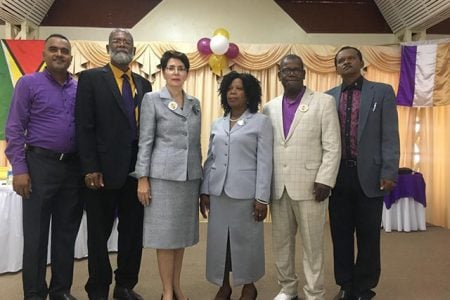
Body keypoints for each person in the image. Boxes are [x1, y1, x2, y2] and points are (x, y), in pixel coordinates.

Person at [4, 34, 83, 300]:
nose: (59, 54)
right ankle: (35, 294)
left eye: (64, 50)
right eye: (54, 49)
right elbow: (14, 127)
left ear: (71, 56)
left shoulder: (79, 87)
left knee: (65, 234)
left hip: (72, 169)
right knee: (36, 235)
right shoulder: (28, 83)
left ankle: (60, 291)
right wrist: (20, 169)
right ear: (44, 54)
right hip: (39, 167)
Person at [75, 29, 152, 300]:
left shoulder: (144, 85)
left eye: (127, 42)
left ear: (134, 49)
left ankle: (125, 286)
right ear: (108, 47)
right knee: (99, 234)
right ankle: (97, 288)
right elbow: (84, 126)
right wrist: (89, 167)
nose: (122, 45)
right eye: (117, 42)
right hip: (102, 171)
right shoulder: (91, 78)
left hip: (136, 171)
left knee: (132, 233)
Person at [263, 54, 341, 300]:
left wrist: (325, 180)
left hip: (311, 187)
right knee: (281, 244)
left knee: (312, 245)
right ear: (279, 75)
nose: (292, 73)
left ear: (304, 72)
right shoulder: (269, 107)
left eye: (296, 69)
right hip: (279, 187)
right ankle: (287, 288)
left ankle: (314, 292)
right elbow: (268, 148)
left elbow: (332, 145)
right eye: (286, 70)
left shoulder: (323, 102)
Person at [326, 46, 400, 300]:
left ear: (360, 62)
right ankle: (346, 284)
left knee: (368, 235)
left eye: (350, 58)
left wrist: (389, 170)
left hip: (371, 175)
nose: (346, 63)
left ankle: (364, 288)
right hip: (337, 177)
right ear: (335, 67)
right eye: (341, 60)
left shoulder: (381, 92)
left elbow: (390, 135)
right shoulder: (328, 97)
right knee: (341, 234)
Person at [135, 50, 202, 300]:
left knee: (180, 236)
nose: (176, 72)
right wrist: (142, 177)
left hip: (189, 178)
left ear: (187, 73)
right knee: (165, 236)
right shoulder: (152, 99)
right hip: (162, 178)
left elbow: (195, 143)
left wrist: (200, 176)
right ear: (163, 71)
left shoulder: (194, 103)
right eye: (171, 68)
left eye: (181, 68)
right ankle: (166, 292)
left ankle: (177, 286)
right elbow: (146, 140)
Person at [200, 71, 273, 300]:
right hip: (218, 192)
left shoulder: (261, 122)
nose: (233, 92)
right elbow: (210, 158)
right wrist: (204, 190)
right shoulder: (218, 123)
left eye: (239, 88)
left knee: (246, 242)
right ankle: (224, 285)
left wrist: (262, 198)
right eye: (230, 88)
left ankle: (249, 285)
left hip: (246, 194)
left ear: (249, 93)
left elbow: (265, 161)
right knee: (220, 242)